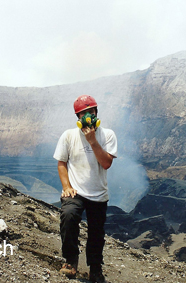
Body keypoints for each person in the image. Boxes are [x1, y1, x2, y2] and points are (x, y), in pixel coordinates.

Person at [53, 95, 117, 283]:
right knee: (69, 216)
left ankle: (95, 269)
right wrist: (66, 186)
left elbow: (106, 163)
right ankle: (71, 261)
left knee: (96, 233)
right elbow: (62, 163)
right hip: (76, 191)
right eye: (84, 114)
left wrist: (93, 141)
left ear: (97, 113)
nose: (88, 117)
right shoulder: (69, 136)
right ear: (78, 117)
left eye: (91, 112)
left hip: (98, 193)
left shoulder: (108, 135)